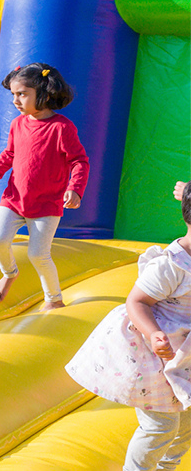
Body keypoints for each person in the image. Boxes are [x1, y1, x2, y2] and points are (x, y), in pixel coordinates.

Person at [66, 193, 191, 471]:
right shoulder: (172, 265)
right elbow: (137, 301)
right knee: (160, 427)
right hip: (156, 354)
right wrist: (153, 333)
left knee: (185, 425)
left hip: (184, 357)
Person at [0, 63, 88, 311]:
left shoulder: (61, 128)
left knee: (38, 255)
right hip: (14, 198)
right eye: (13, 94)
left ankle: (54, 299)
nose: (15, 100)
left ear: (43, 93)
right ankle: (9, 273)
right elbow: (9, 153)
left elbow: (79, 161)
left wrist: (75, 188)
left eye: (22, 94)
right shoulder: (18, 124)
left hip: (46, 203)